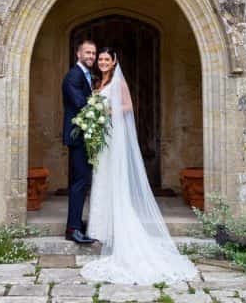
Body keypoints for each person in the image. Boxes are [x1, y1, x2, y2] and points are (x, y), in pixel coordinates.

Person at [80, 48, 197, 285]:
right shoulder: (97, 82)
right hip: (102, 139)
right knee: (101, 179)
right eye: (100, 59)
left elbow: (127, 107)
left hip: (113, 139)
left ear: (114, 62)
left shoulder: (117, 83)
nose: (102, 62)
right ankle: (100, 230)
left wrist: (105, 110)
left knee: (113, 180)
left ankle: (117, 230)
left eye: (106, 59)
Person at [61, 38, 97, 245]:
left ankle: (76, 223)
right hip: (78, 137)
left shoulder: (85, 75)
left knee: (83, 182)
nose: (91, 56)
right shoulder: (73, 76)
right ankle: (72, 228)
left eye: (93, 53)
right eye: (87, 53)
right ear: (78, 54)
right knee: (79, 182)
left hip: (84, 136)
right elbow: (81, 104)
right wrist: (103, 108)